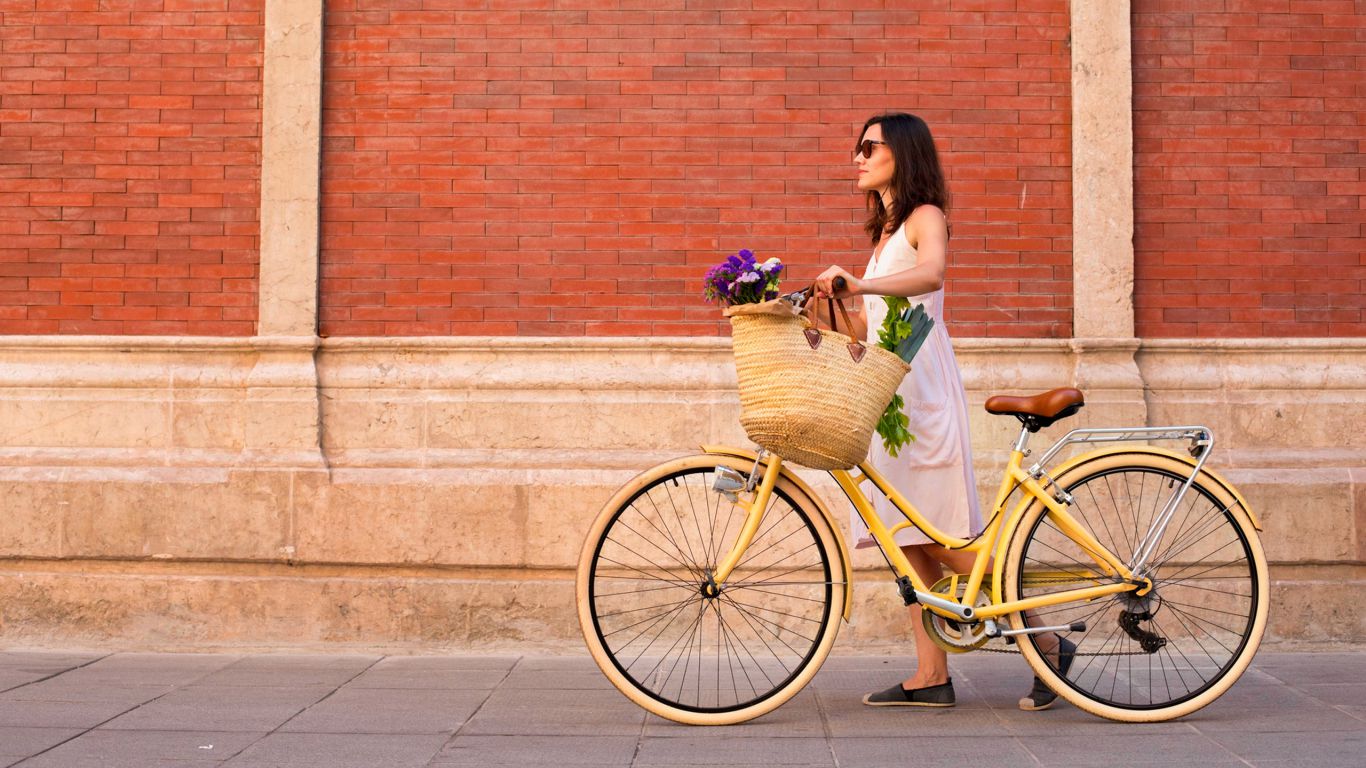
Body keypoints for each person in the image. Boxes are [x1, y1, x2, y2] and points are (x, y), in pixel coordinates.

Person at [813, 112, 1072, 711]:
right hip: (888, 387)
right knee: (903, 536)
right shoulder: (882, 236)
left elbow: (931, 273)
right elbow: (872, 322)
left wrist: (859, 284)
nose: (857, 156)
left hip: (920, 387)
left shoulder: (924, 217)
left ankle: (1047, 642)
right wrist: (824, 314)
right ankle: (932, 673)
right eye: (857, 147)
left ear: (902, 153)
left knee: (943, 536)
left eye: (869, 146)